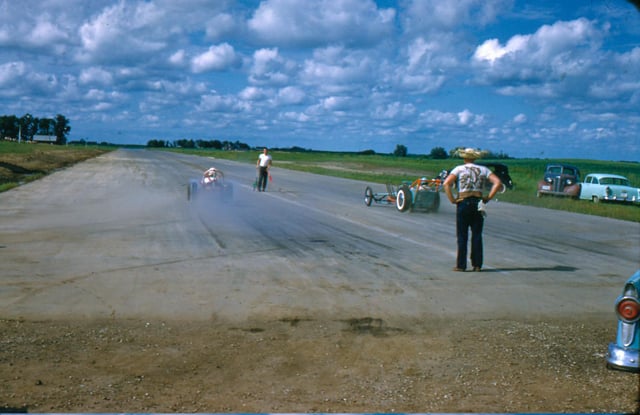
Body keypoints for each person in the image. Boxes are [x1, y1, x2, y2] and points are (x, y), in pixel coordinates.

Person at [443, 148, 502, 272]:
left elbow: (446, 183)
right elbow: (497, 183)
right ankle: (477, 264)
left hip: (463, 202)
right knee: (477, 235)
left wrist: (453, 200)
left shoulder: (459, 169)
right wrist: (488, 198)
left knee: (462, 236)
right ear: (475, 158)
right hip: (478, 202)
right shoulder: (483, 170)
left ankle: (461, 265)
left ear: (464, 158)